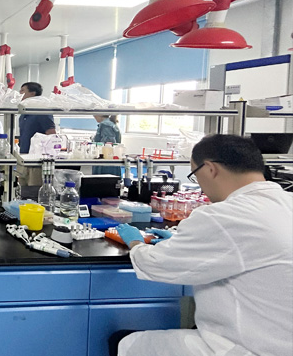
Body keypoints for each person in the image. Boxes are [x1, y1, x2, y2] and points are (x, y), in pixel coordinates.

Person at [115, 134, 292, 356]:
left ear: (210, 169)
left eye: (195, 175)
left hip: (248, 348)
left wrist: (136, 242)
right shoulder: (287, 202)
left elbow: (156, 264)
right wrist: (181, 242)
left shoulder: (222, 216)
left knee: (125, 342)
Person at [18, 82, 56, 154]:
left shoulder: (42, 111)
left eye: (22, 90)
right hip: (24, 154)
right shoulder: (24, 113)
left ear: (32, 93)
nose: (20, 93)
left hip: (38, 156)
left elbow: (51, 135)